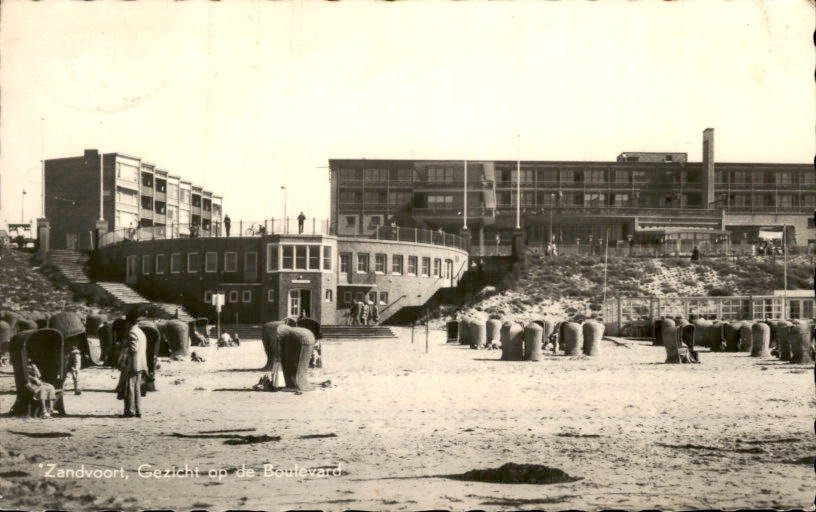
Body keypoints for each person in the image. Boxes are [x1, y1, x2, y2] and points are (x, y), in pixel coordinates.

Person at [117, 308, 148, 418]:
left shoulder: (132, 332)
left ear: (129, 322)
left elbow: (133, 349)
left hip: (132, 364)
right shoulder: (140, 332)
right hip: (140, 364)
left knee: (129, 387)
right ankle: (137, 410)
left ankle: (129, 411)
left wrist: (124, 349)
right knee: (136, 388)